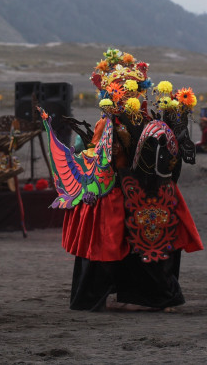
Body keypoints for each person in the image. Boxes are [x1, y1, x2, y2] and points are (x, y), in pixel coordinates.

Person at [55, 49, 202, 310]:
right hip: (129, 190)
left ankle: (135, 296)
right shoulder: (123, 122)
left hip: (131, 190)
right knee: (125, 245)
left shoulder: (134, 121)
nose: (131, 96)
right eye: (127, 91)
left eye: (132, 91)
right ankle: (147, 296)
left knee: (119, 245)